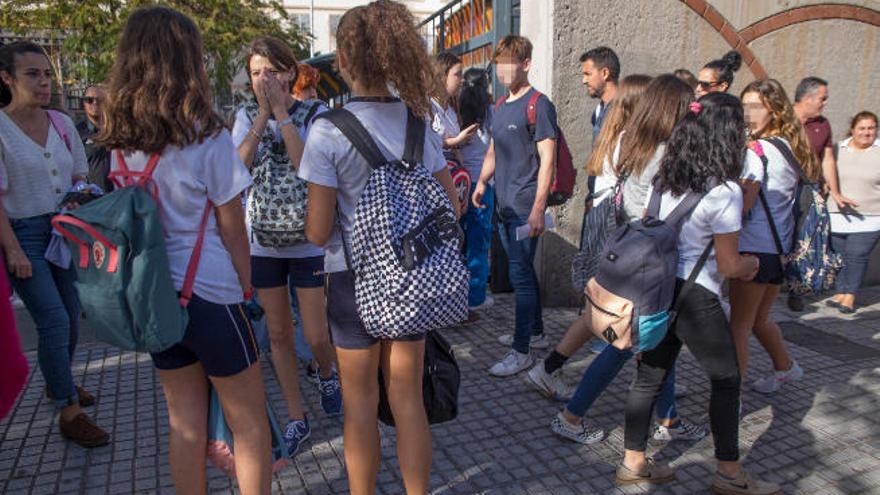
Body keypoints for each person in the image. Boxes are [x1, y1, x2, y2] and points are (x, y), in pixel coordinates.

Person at [98, 7, 273, 492]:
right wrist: (246, 282)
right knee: (250, 427)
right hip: (212, 294)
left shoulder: (120, 138)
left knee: (184, 425)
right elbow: (232, 225)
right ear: (186, 59)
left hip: (153, 296)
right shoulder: (207, 136)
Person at [298, 1, 459, 493]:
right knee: (407, 397)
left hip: (352, 282)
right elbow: (449, 203)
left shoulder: (328, 129)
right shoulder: (417, 123)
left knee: (360, 404)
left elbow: (319, 231)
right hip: (411, 279)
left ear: (342, 60)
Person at [617, 92, 781, 495]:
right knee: (727, 380)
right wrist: (752, 265)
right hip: (696, 296)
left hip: (659, 291)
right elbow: (728, 266)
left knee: (648, 376)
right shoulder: (724, 192)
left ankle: (633, 463)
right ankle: (729, 474)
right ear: (725, 137)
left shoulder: (664, 179)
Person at [537, 76, 705, 446]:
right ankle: (571, 416)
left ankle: (668, 419)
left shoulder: (636, 143)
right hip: (650, 262)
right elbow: (660, 211)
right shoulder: (664, 154)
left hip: (630, 251)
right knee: (627, 344)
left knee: (659, 344)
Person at [232, 36, 341, 458]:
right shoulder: (244, 116)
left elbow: (306, 166)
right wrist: (263, 117)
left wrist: (281, 112)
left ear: (289, 73)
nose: (264, 79)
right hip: (263, 242)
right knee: (277, 334)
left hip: (307, 240)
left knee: (315, 333)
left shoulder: (315, 112)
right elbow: (236, 170)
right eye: (257, 72)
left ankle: (327, 370)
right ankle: (297, 417)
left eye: (272, 71)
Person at [0, 41, 109, 448]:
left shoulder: (62, 123)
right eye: (32, 74)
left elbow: (80, 175)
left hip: (65, 230)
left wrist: (79, 200)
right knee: (53, 320)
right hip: (23, 233)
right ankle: (69, 411)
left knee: (68, 312)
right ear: (7, 78)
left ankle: (57, 381)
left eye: (47, 74)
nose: (43, 82)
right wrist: (12, 249)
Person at [527, 74, 652, 401]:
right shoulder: (635, 143)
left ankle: (551, 368)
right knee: (623, 316)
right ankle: (569, 394)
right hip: (618, 229)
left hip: (606, 225)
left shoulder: (616, 134)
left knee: (600, 309)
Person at [472, 34, 558, 377]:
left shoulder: (540, 104)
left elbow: (548, 160)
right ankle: (535, 333)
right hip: (503, 203)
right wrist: (481, 182)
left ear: (525, 64)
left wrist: (538, 208)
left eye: (510, 62)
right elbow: (493, 149)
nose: (503, 69)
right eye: (499, 63)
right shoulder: (499, 106)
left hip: (524, 205)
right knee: (521, 271)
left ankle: (521, 350)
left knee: (520, 276)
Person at [733, 78, 821, 394]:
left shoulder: (756, 151)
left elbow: (742, 207)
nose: (747, 113)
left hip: (753, 249)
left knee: (739, 327)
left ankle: (731, 402)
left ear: (774, 109)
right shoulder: (789, 145)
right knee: (758, 320)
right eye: (744, 106)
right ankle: (786, 366)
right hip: (779, 250)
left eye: (755, 106)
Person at [789, 76, 844, 311]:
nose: (824, 103)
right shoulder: (782, 120)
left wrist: (836, 191)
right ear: (808, 98)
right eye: (822, 98)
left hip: (807, 189)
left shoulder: (822, 124)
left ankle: (797, 288)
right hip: (780, 190)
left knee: (805, 239)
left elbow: (828, 159)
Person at [827, 111, 880, 314]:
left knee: (857, 255)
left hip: (871, 215)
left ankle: (850, 296)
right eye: (862, 128)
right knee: (841, 255)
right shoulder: (837, 149)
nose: (867, 133)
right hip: (838, 213)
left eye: (871, 128)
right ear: (853, 129)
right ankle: (841, 291)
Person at [459, 67, 495, 311]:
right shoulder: (491, 113)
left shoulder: (455, 111)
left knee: (457, 242)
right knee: (478, 243)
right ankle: (475, 298)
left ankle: (456, 296)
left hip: (459, 184)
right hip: (482, 184)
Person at [75, 84, 112, 193]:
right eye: (89, 100)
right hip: (92, 199)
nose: (95, 103)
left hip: (118, 196)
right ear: (84, 103)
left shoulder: (118, 130)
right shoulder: (76, 132)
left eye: (100, 100)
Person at [580, 46, 619, 142]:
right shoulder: (598, 111)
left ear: (605, 73)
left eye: (588, 74)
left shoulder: (625, 110)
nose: (584, 81)